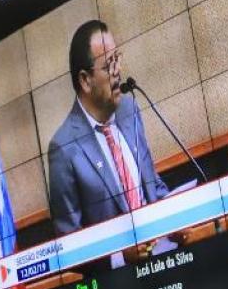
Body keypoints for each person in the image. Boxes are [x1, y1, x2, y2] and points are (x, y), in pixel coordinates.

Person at [48, 19, 170, 236]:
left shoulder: (129, 108)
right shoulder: (63, 148)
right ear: (85, 80)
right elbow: (70, 240)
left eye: (117, 59)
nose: (118, 71)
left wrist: (178, 220)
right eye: (108, 65)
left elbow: (153, 186)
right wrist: (120, 252)